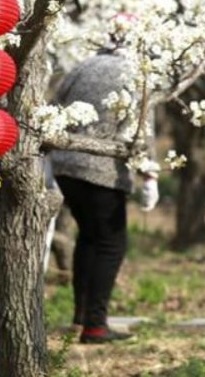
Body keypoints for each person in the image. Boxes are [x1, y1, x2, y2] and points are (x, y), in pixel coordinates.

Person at [49, 22, 160, 344]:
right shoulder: (135, 73)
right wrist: (149, 176)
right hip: (102, 171)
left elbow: (54, 109)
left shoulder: (80, 67)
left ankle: (81, 317)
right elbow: (142, 129)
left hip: (66, 165)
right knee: (111, 245)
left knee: (89, 238)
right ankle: (96, 326)